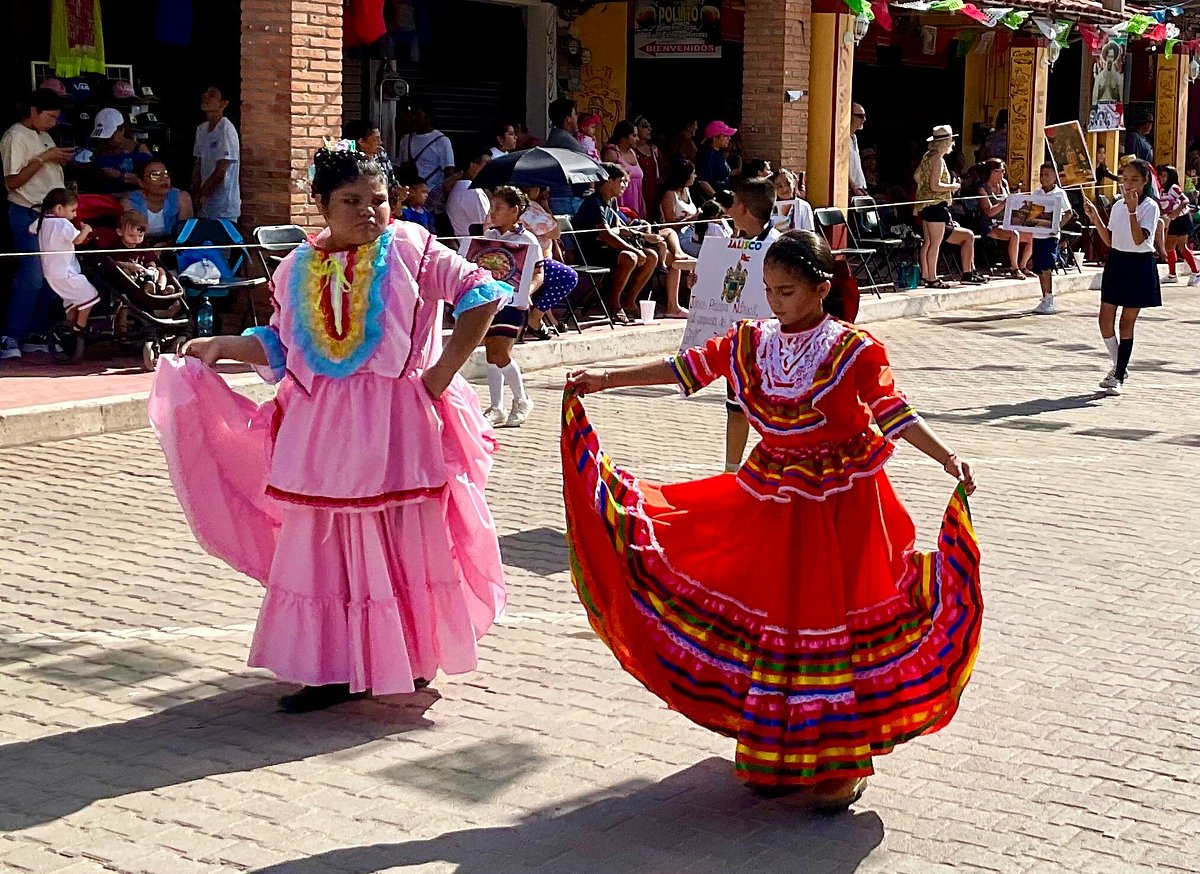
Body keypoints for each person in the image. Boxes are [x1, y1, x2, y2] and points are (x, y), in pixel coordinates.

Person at [561, 229, 982, 811]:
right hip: (773, 501)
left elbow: (893, 412)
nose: (775, 302)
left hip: (843, 507)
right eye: (768, 291)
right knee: (774, 622)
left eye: (786, 291)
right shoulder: (749, 343)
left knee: (832, 625)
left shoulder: (854, 349)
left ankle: (839, 761)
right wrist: (604, 379)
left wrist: (947, 457)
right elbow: (685, 368)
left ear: (820, 288)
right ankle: (772, 750)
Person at [149, 144, 511, 713]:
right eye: (352, 201)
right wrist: (221, 346)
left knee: (400, 538)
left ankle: (406, 658)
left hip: (398, 426)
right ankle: (330, 668)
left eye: (380, 200)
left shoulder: (415, 250)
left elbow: (484, 295)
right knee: (322, 547)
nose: (370, 211)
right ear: (320, 204)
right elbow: (279, 344)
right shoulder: (293, 268)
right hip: (320, 429)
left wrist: (440, 374)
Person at [1, 88, 74, 359]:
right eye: (50, 116)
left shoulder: (44, 136)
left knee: (50, 275)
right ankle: (10, 335)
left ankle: (35, 332)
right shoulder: (15, 136)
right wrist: (46, 158)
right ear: (33, 111)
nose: (53, 122)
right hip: (26, 210)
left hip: (51, 215)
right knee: (31, 274)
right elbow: (12, 181)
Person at [1083, 158, 1161, 396]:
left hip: (1139, 264)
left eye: (1134, 180)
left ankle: (1118, 375)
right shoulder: (1117, 206)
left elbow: (1139, 239)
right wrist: (1095, 217)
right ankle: (1119, 365)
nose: (1128, 185)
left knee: (1126, 321)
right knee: (1105, 318)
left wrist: (1132, 210)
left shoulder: (1150, 207)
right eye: (1124, 180)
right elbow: (1110, 240)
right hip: (1117, 261)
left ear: (1145, 181)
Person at [465, 186, 540, 427]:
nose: (493, 213)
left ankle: (522, 399)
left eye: (499, 208)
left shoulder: (528, 240)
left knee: (501, 352)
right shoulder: (488, 237)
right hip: (489, 301)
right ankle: (497, 406)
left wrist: (525, 292)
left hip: (513, 304)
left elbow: (539, 274)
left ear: (515, 211)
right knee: (490, 353)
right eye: (492, 207)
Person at [721, 177, 780, 473]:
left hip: (772, 342)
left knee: (774, 410)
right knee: (735, 407)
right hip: (739, 339)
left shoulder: (776, 247)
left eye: (731, 204)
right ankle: (731, 472)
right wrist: (702, 282)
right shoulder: (731, 244)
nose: (728, 209)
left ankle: (779, 468)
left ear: (742, 208)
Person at [572, 162, 659, 324]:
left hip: (608, 249)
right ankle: (614, 303)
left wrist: (643, 236)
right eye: (621, 181)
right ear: (608, 180)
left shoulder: (610, 202)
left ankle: (629, 300)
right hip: (591, 253)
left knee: (652, 255)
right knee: (630, 257)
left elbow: (618, 228)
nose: (625, 185)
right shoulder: (594, 203)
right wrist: (633, 248)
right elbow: (606, 235)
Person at [915, 125, 986, 288]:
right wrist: (952, 187)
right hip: (936, 205)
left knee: (927, 242)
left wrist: (924, 191)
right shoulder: (938, 159)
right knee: (935, 243)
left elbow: (917, 176)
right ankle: (932, 277)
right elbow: (935, 185)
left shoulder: (927, 156)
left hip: (926, 205)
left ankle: (926, 275)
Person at [35, 188, 99, 330]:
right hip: (66, 272)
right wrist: (86, 230)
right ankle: (79, 328)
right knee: (90, 295)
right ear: (59, 208)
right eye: (72, 211)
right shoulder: (62, 223)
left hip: (51, 273)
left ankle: (69, 328)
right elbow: (78, 240)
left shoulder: (42, 221)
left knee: (71, 300)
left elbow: (31, 230)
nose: (75, 214)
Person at [519, 185, 578, 338]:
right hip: (528, 263)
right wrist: (545, 206)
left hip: (519, 260)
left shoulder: (501, 205)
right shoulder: (528, 207)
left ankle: (546, 317)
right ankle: (535, 317)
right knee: (568, 276)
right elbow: (556, 232)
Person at [966, 158, 1028, 279]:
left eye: (1003, 171)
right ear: (992, 172)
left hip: (1006, 220)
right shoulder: (982, 189)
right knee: (1014, 234)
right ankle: (1014, 268)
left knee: (1031, 234)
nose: (1002, 174)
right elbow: (989, 212)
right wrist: (1005, 202)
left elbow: (1010, 202)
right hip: (990, 224)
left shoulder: (1004, 183)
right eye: (1000, 171)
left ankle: (1024, 265)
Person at [1029, 163, 1074, 315]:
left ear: (1055, 177)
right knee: (1039, 268)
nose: (1044, 178)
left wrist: (1057, 226)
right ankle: (1044, 297)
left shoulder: (1059, 194)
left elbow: (1068, 213)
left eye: (1047, 175)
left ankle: (1050, 297)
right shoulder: (1037, 192)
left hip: (1050, 236)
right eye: (1042, 175)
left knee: (1047, 267)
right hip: (1037, 234)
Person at [192, 85, 241, 222]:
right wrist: (195, 193)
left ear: (223, 104)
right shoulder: (201, 130)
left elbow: (221, 169)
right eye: (205, 93)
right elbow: (198, 165)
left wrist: (204, 194)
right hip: (204, 206)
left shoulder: (226, 129)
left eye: (212, 95)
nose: (205, 97)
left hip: (223, 208)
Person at [396, 103, 455, 213]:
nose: (414, 118)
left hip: (431, 195)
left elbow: (449, 170)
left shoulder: (441, 140)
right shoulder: (406, 139)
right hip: (409, 195)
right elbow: (399, 165)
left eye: (418, 115)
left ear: (428, 118)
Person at [123, 160, 194, 241]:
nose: (163, 179)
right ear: (141, 182)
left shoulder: (182, 197)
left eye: (166, 174)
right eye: (155, 175)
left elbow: (185, 235)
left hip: (173, 247)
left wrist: (167, 246)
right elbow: (130, 237)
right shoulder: (129, 202)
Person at [545, 98, 590, 215]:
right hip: (565, 198)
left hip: (563, 197)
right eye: (574, 114)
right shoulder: (563, 138)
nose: (576, 118)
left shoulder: (558, 136)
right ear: (568, 118)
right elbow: (586, 163)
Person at [1157, 164, 1198, 286]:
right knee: (1169, 247)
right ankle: (1172, 274)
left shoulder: (1174, 188)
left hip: (1182, 219)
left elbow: (1185, 200)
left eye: (1165, 176)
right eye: (1161, 175)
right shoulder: (1162, 189)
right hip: (1174, 220)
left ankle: (1196, 271)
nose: (1162, 178)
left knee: (1182, 247)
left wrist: (1176, 211)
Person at [601, 121, 646, 218]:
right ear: (624, 137)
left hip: (636, 203)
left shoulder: (632, 153)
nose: (637, 139)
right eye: (634, 136)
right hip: (620, 203)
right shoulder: (612, 154)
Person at [445, 149, 491, 237]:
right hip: (473, 246)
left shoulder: (459, 187)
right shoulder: (473, 191)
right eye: (487, 164)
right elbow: (487, 225)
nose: (490, 168)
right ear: (473, 166)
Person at [633, 116, 666, 219]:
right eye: (644, 126)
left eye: (649, 127)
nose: (649, 129)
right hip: (638, 192)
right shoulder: (631, 150)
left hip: (654, 194)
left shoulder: (654, 150)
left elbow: (665, 169)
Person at [343, 120, 396, 185]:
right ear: (361, 142)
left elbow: (391, 182)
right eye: (376, 139)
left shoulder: (381, 153)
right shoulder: (349, 161)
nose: (380, 142)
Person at [695, 121, 735, 199]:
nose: (729, 138)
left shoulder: (718, 152)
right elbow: (703, 181)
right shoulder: (707, 155)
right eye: (725, 136)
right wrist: (717, 198)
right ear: (715, 138)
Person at [849, 103, 868, 197]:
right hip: (851, 189)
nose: (864, 120)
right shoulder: (843, 140)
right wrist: (853, 187)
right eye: (860, 116)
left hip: (860, 187)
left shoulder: (854, 137)